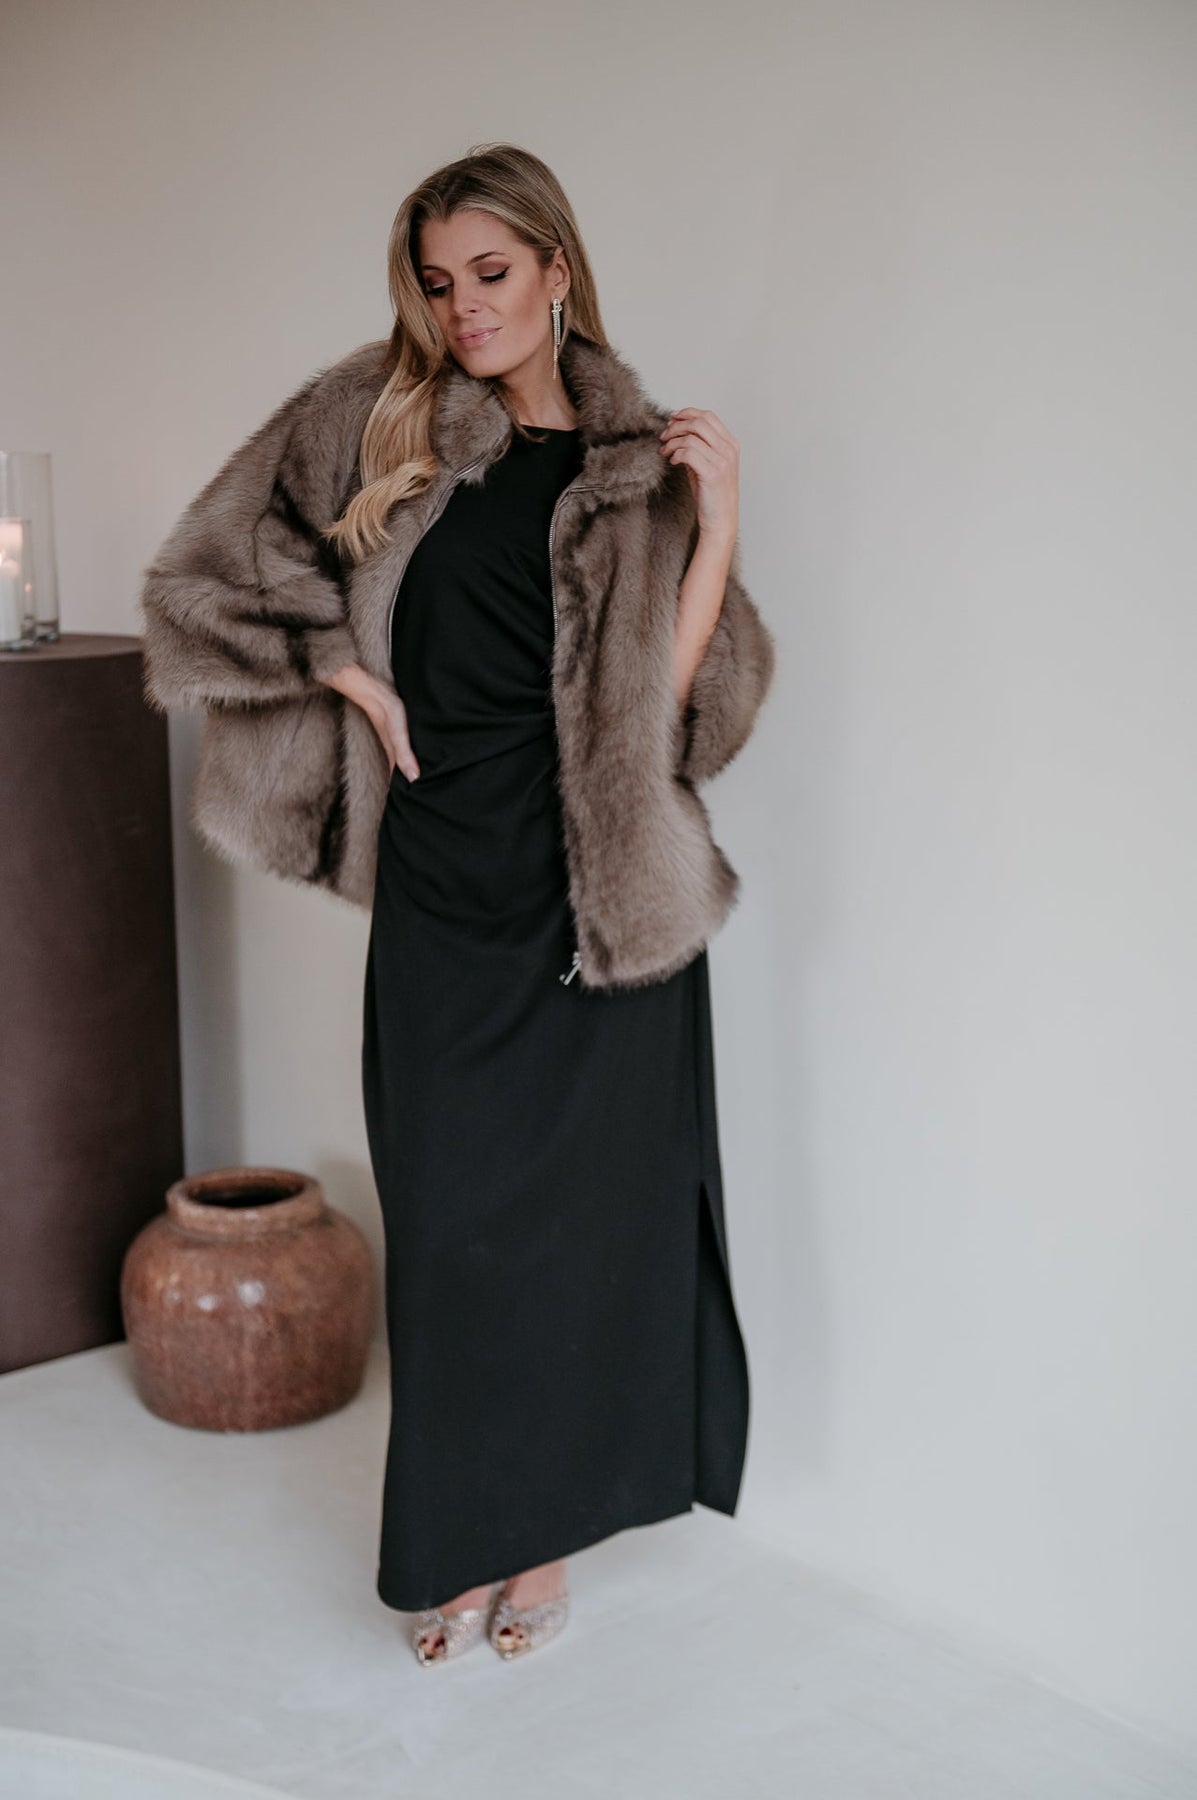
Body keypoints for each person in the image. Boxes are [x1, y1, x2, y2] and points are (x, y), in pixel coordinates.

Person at [139, 141, 776, 1667]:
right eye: (438, 282)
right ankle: (459, 1526)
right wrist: (341, 668)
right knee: (455, 1229)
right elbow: (203, 578)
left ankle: (532, 1543)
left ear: (556, 268)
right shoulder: (377, 416)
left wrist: (719, 523)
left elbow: (669, 711)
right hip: (446, 885)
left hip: (593, 905)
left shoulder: (629, 469)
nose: (463, 306)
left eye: (490, 272)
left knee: (581, 1236)